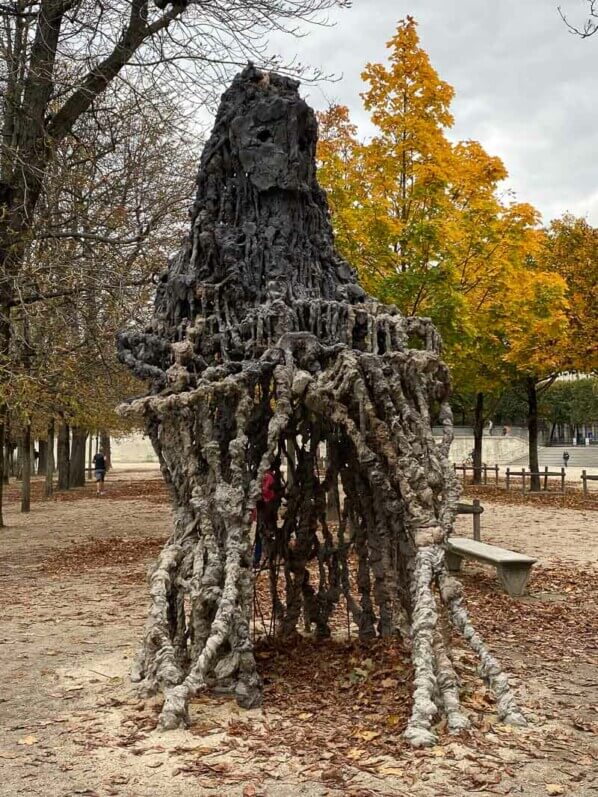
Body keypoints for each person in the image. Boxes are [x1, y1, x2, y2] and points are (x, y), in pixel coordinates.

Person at [253, 466, 280, 568]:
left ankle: (263, 558)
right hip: (265, 509)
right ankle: (261, 558)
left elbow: (267, 492)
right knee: (262, 535)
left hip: (266, 510)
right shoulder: (268, 477)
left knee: (263, 535)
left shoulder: (267, 477)